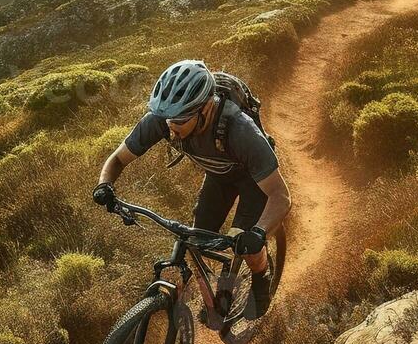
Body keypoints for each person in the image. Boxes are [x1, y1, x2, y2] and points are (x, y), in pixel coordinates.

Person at [93, 60, 290, 310]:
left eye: (179, 121)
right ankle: (215, 299)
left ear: (205, 108)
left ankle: (261, 279)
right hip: (218, 178)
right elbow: (118, 159)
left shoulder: (240, 130)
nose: (171, 128)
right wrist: (104, 185)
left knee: (245, 245)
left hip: (253, 181)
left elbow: (280, 195)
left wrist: (259, 232)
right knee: (198, 241)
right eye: (167, 120)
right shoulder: (164, 119)